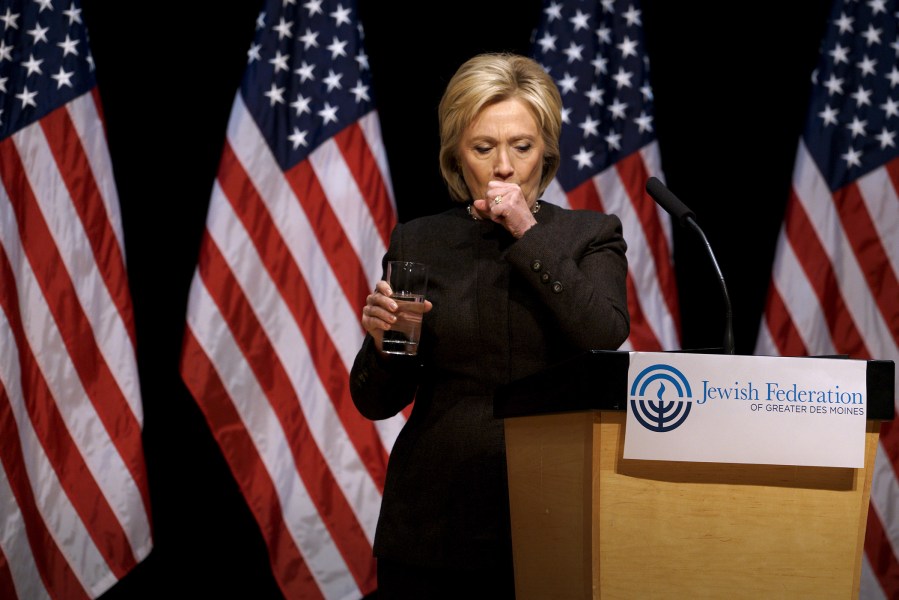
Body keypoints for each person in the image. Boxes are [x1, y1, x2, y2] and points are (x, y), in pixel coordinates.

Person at [350, 52, 630, 598]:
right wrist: (385, 345)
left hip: (556, 515)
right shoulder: (419, 241)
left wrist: (527, 231)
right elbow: (376, 401)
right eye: (484, 148)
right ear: (458, 155)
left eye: (521, 147)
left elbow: (603, 333)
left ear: (545, 150)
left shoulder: (591, 236)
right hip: (435, 522)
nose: (504, 166)